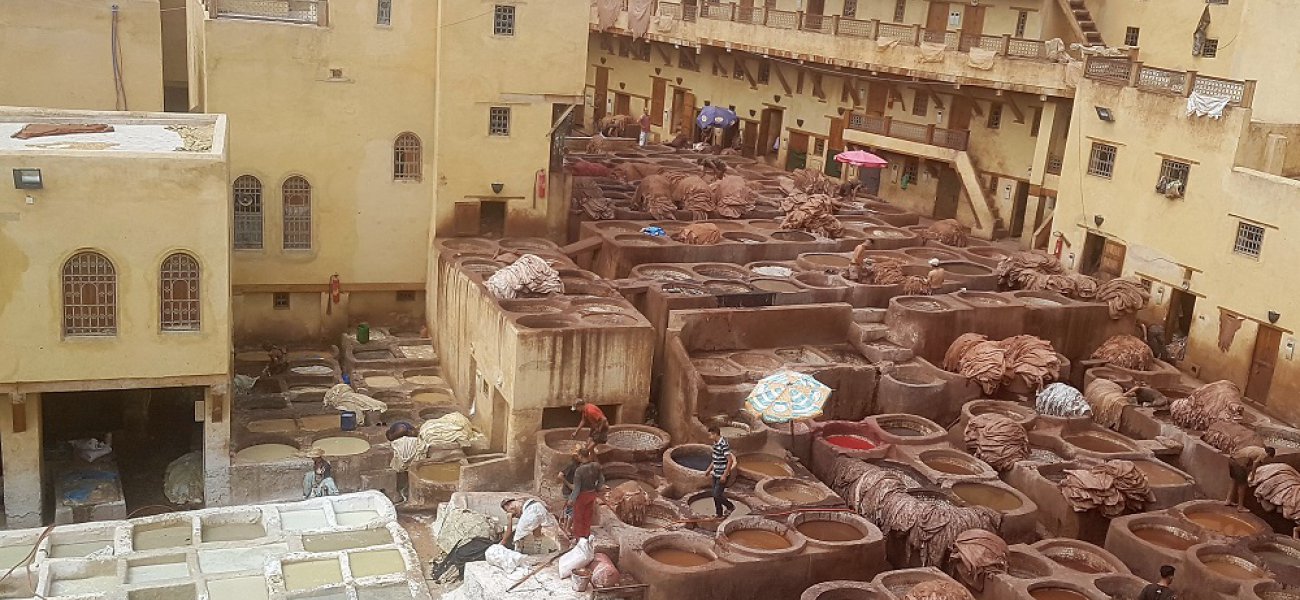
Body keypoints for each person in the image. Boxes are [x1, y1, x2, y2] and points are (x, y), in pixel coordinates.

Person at [567, 448, 605, 539]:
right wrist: (597, 489)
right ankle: (586, 534)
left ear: (580, 456)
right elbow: (602, 480)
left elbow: (577, 488)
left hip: (581, 496)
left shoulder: (579, 470)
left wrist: (571, 499)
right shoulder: (596, 466)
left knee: (579, 517)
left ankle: (579, 537)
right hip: (592, 494)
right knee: (588, 515)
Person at [1228, 445, 1275, 511]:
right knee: (1243, 485)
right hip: (1239, 463)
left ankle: (1228, 500)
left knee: (1234, 480)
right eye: (1269, 457)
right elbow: (1255, 463)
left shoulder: (1258, 449)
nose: (1268, 458)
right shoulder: (1263, 454)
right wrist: (1253, 475)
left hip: (1232, 460)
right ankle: (1240, 507)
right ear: (1269, 453)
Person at [708, 425, 737, 517]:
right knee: (715, 495)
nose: (709, 437)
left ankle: (730, 506)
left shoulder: (723, 444)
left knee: (717, 495)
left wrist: (724, 475)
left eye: (710, 435)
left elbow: (730, 460)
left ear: (715, 434)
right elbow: (715, 458)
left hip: (721, 474)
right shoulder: (715, 443)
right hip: (715, 473)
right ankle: (719, 514)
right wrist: (708, 469)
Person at [556, 444, 583, 525]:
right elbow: (560, 475)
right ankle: (567, 527)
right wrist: (570, 485)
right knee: (572, 510)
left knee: (569, 507)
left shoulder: (578, 465)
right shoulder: (571, 465)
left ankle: (562, 521)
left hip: (573, 491)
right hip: (568, 491)